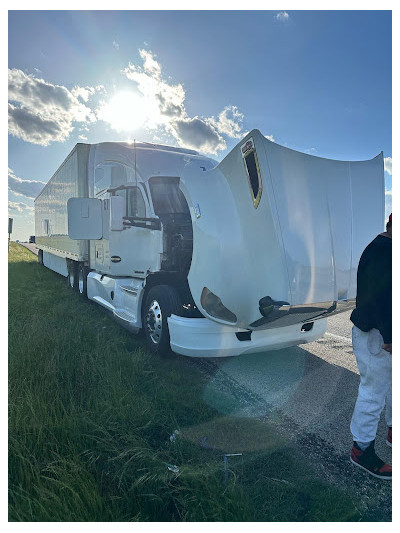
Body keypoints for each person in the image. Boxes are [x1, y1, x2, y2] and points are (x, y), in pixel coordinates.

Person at [349, 213, 392, 480]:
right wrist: (390, 337)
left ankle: (391, 429)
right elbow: (380, 300)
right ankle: (361, 450)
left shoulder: (386, 248)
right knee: (373, 392)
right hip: (377, 335)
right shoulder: (383, 251)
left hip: (382, 333)